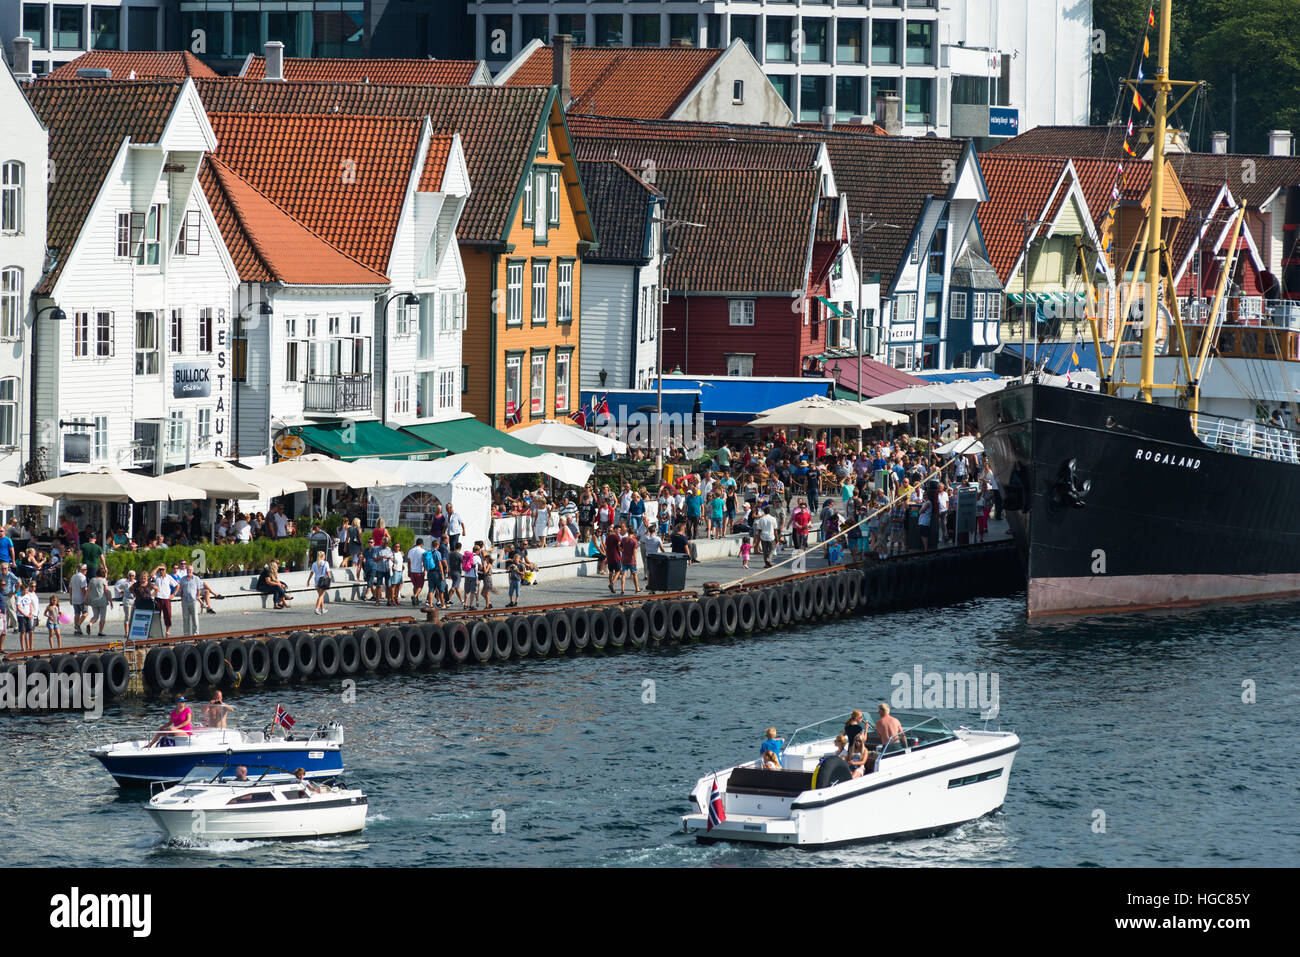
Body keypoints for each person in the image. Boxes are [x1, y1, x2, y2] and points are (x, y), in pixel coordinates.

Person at [87, 566, 112, 637]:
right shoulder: (104, 581)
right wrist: (110, 601)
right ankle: (100, 631)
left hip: (93, 601)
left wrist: (86, 598)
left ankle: (90, 624)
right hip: (102, 601)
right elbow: (107, 592)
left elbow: (88, 590)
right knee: (102, 617)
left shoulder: (92, 580)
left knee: (95, 616)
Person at [178, 566, 204, 636]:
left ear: (192, 570)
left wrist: (197, 596)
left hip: (193, 601)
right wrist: (182, 599)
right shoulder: (183, 579)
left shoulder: (196, 579)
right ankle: (186, 634)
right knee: (185, 618)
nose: (188, 571)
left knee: (195, 618)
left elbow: (199, 589)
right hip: (185, 601)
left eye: (190, 570)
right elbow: (181, 590)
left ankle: (195, 634)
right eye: (187, 570)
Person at [152, 563, 177, 637]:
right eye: (160, 569)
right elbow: (151, 574)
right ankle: (157, 631)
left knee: (168, 616)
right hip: (158, 598)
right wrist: (158, 567)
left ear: (166, 569)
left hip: (166, 599)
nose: (161, 571)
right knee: (156, 616)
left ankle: (167, 631)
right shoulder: (157, 576)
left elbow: (177, 585)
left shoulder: (169, 577)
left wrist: (173, 594)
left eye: (163, 569)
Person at [67, 563, 89, 636]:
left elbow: (70, 587)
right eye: (85, 569)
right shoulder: (82, 577)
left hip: (74, 597)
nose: (86, 571)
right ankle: (78, 625)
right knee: (85, 613)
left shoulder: (73, 576)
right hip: (81, 598)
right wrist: (86, 597)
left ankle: (77, 630)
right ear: (82, 570)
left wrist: (70, 597)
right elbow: (83, 589)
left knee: (77, 613)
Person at [308, 550, 332, 615]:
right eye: (324, 555)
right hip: (323, 580)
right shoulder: (325, 563)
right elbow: (328, 573)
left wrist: (308, 581)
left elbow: (312, 573)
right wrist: (330, 580)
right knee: (321, 596)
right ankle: (317, 608)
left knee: (320, 595)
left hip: (316, 580)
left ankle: (322, 609)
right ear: (322, 556)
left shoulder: (314, 563)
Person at [618, 525, 639, 594]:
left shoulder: (624, 539)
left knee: (623, 574)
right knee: (634, 574)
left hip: (624, 559)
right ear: (634, 533)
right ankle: (637, 588)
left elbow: (620, 547)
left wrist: (623, 551)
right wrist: (635, 560)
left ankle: (622, 590)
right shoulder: (634, 541)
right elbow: (634, 551)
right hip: (631, 560)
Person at [115, 569, 136, 635]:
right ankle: (126, 632)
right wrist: (120, 592)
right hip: (127, 600)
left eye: (132, 575)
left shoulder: (136, 582)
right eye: (130, 575)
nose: (131, 577)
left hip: (134, 600)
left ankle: (130, 632)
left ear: (134, 576)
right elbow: (116, 587)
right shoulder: (125, 582)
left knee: (132, 617)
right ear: (128, 576)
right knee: (127, 616)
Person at [407, 538, 426, 607]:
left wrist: (408, 571)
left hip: (412, 571)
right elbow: (424, 561)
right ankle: (415, 596)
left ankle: (416, 600)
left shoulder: (411, 550)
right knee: (420, 586)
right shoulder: (423, 551)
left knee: (415, 585)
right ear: (421, 544)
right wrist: (425, 570)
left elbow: (409, 562)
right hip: (419, 571)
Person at [461, 543, 481, 610]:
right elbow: (480, 567)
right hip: (474, 576)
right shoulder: (477, 557)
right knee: (473, 591)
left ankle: (465, 604)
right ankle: (471, 605)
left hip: (467, 575)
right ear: (478, 551)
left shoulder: (467, 556)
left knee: (466, 591)